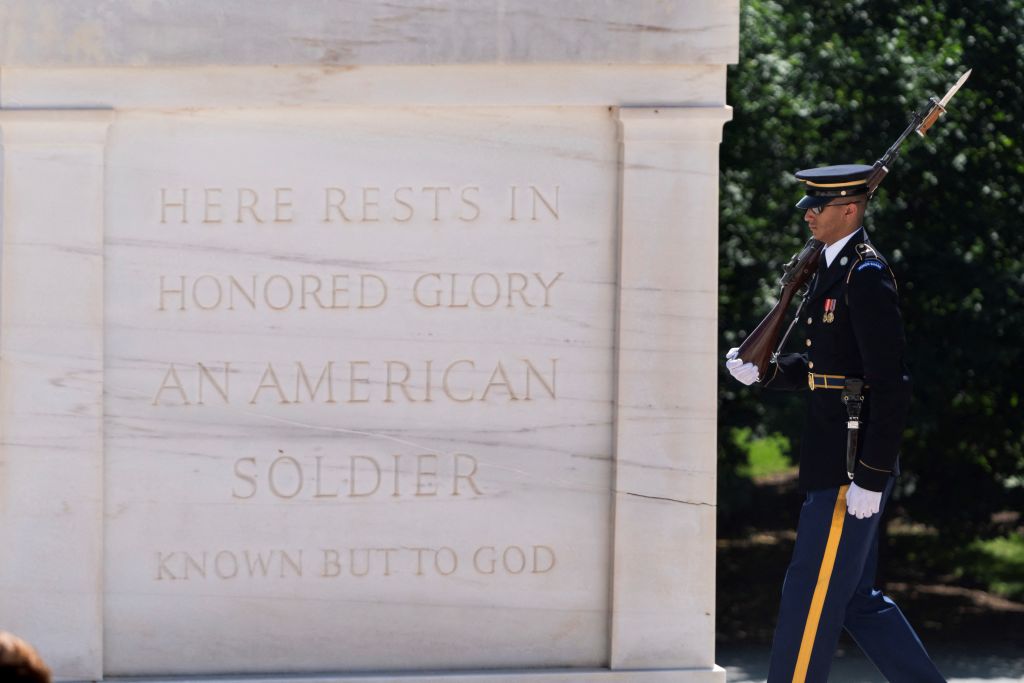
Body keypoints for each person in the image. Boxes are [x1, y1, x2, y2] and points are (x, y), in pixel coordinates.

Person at [725, 164, 946, 683]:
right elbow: (828, 371)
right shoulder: (830, 267)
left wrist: (872, 473)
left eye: (817, 206)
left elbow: (890, 383)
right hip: (831, 454)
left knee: (809, 596)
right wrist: (767, 371)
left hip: (850, 467)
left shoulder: (864, 275)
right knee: (854, 600)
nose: (807, 214)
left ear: (850, 209)